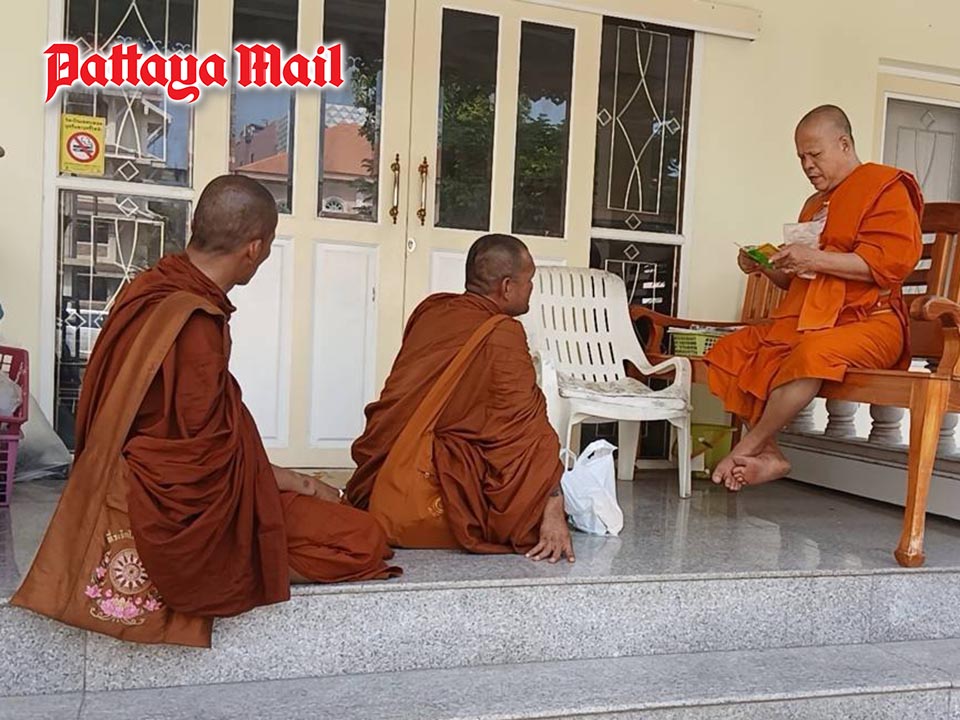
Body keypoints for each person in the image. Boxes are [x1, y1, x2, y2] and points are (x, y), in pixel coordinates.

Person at [13, 175, 399, 647]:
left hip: (125, 480)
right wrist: (298, 483)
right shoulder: (193, 320)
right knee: (363, 538)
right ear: (255, 248)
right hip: (171, 505)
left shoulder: (148, 288)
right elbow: (204, 464)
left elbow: (201, 440)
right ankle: (237, 568)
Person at [704, 105, 923, 491]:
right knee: (732, 351)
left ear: (844, 144)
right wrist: (765, 266)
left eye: (815, 154)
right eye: (801, 157)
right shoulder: (814, 204)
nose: (807, 165)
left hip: (872, 322)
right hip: (811, 321)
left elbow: (887, 265)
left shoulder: (885, 186)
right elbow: (801, 283)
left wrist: (811, 258)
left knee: (811, 355)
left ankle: (749, 446)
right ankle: (771, 454)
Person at [347, 234, 575, 563]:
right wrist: (552, 501)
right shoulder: (503, 333)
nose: (531, 289)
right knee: (522, 469)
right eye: (529, 281)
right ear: (507, 287)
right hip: (440, 482)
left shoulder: (432, 311)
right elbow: (524, 432)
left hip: (384, 475)